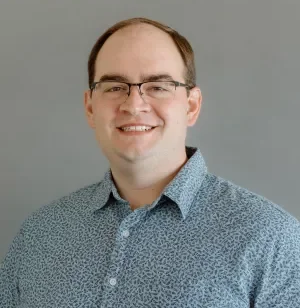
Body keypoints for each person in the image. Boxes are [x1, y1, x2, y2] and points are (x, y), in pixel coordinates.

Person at [1, 17, 300, 308]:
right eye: (114, 86)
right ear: (90, 107)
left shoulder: (271, 239)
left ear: (191, 106)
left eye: (158, 86)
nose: (133, 104)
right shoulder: (40, 234)